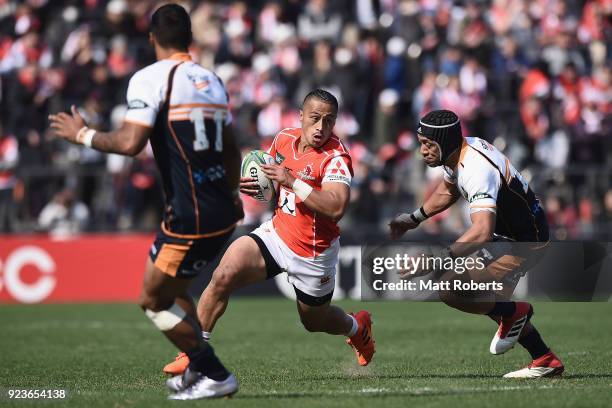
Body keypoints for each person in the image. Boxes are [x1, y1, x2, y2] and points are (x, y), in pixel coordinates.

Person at [49, 4, 241, 399]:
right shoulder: (211, 79)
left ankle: (213, 373)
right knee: (172, 291)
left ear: (151, 38)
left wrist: (83, 134)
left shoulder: (151, 78)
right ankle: (198, 368)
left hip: (191, 215)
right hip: (220, 209)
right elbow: (231, 149)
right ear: (189, 38)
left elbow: (130, 142)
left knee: (152, 300)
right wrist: (235, 195)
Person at [163, 89, 376, 400]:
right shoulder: (283, 139)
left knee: (315, 321)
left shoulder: (336, 157)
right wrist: (253, 184)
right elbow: (269, 181)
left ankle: (357, 328)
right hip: (276, 233)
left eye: (328, 121)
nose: (320, 127)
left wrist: (291, 180)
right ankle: (195, 353)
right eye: (314, 118)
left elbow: (336, 206)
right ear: (300, 116)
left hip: (313, 253)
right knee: (223, 276)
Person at [389, 109, 564, 378]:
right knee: (483, 297)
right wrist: (415, 218)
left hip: (524, 242)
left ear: (444, 141)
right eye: (420, 142)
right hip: (508, 237)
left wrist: (434, 259)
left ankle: (517, 314)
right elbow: (449, 190)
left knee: (452, 287)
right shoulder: (457, 152)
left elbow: (482, 231)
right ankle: (543, 357)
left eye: (427, 144)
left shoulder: (476, 168)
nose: (422, 150)